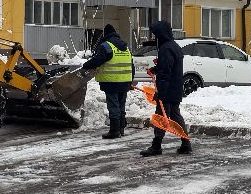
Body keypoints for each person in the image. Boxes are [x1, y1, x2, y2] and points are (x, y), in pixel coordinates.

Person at [140, 19, 190, 157]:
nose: (154, 37)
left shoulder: (166, 49)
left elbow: (165, 74)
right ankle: (186, 143)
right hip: (175, 88)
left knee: (160, 117)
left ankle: (156, 146)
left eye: (155, 35)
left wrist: (160, 93)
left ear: (161, 34)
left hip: (167, 90)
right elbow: (168, 67)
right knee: (175, 116)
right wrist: (156, 69)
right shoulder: (174, 46)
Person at [79, 23, 134, 139]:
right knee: (121, 105)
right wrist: (131, 81)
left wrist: (85, 65)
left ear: (106, 34)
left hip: (111, 82)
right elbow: (131, 66)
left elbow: (97, 60)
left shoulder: (106, 46)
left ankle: (114, 131)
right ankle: (121, 129)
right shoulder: (126, 47)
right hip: (125, 81)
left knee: (113, 106)